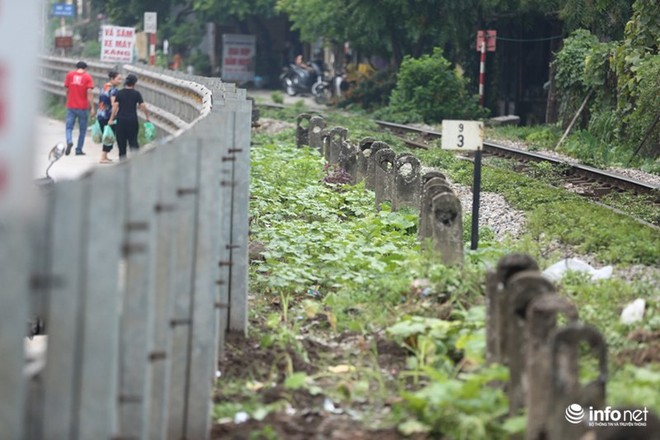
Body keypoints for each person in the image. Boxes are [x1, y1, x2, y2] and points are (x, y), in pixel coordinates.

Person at [110, 74, 150, 160]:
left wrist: (111, 119)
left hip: (121, 120)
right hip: (132, 120)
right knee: (133, 140)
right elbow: (143, 106)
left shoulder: (120, 93)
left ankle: (122, 161)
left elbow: (115, 107)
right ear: (134, 83)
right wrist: (147, 117)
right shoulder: (136, 94)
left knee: (121, 142)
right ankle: (136, 160)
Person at [64, 61, 95, 155]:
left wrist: (69, 99)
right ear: (85, 68)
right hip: (83, 107)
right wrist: (92, 107)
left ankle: (69, 141)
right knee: (82, 130)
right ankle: (78, 150)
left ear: (76, 67)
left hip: (71, 106)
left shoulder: (70, 75)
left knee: (69, 127)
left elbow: (67, 90)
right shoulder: (87, 77)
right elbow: (89, 92)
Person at [97, 70, 121, 164]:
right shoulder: (114, 90)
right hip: (108, 115)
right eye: (118, 79)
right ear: (112, 79)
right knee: (109, 136)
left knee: (106, 134)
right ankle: (103, 157)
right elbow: (114, 104)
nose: (120, 81)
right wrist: (114, 116)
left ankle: (105, 156)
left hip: (101, 114)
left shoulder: (104, 87)